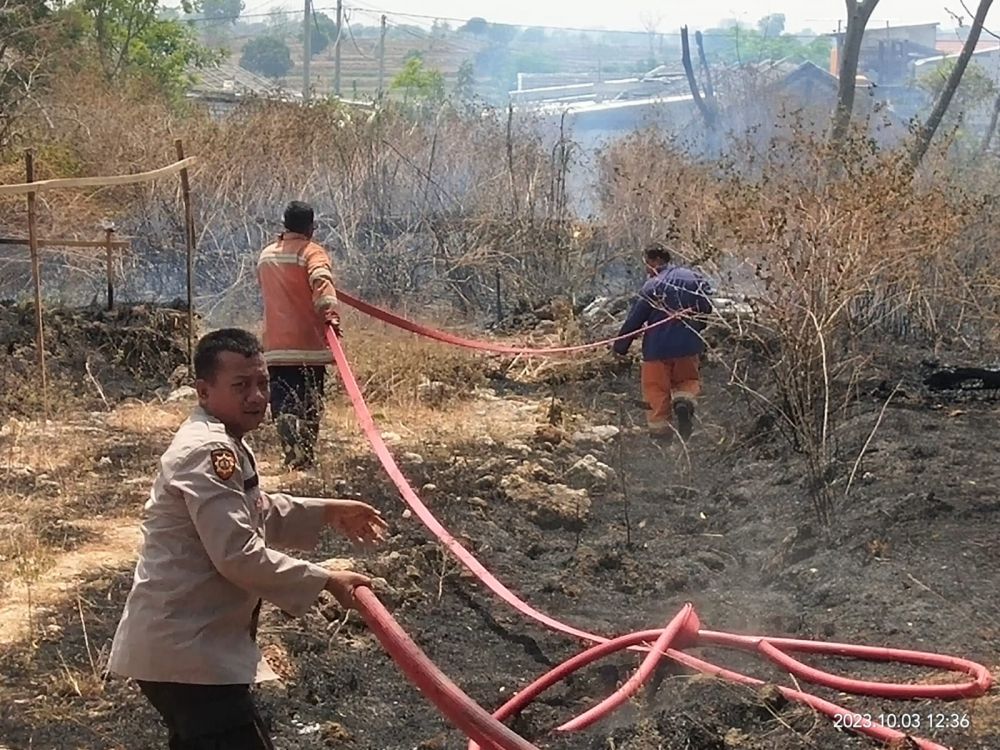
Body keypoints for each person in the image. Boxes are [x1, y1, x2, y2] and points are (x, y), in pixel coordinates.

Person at [107, 328, 387, 750]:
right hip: (188, 651)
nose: (257, 397)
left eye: (263, 383)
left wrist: (327, 510)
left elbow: (253, 509)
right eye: (241, 386)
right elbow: (237, 554)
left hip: (190, 647)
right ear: (204, 390)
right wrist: (326, 579)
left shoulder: (224, 440)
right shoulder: (208, 452)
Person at [257, 200, 340, 470]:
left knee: (282, 397)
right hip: (309, 345)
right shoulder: (311, 252)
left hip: (276, 347)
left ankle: (290, 444)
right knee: (310, 400)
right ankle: (305, 453)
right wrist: (331, 315)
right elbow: (320, 282)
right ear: (311, 227)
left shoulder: (266, 255)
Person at [613, 243, 713, 441]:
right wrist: (696, 329)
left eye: (646, 264)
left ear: (654, 261)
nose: (646, 269)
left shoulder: (652, 285)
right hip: (688, 345)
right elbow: (706, 309)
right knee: (687, 381)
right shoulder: (693, 278)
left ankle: (661, 437)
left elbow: (634, 320)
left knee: (656, 390)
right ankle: (683, 403)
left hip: (656, 350)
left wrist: (620, 347)